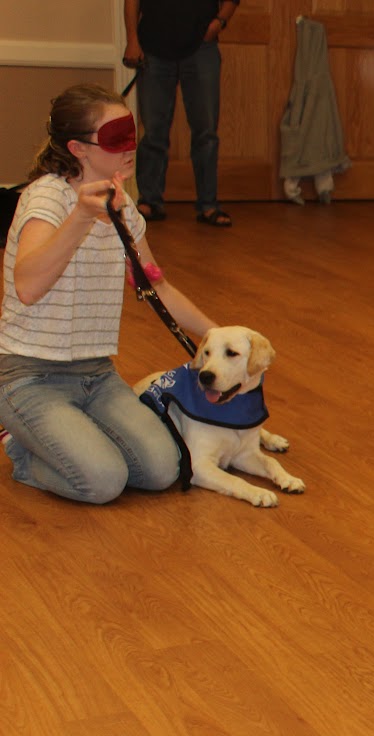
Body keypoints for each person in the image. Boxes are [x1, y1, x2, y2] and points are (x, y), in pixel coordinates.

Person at [0, 84, 219, 503]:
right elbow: (27, 287)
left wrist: (222, 336)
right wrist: (83, 215)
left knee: (161, 469)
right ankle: (22, 449)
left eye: (131, 133)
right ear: (78, 149)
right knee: (102, 482)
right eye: (116, 137)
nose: (129, 147)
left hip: (95, 374)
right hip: (28, 376)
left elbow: (155, 284)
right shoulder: (46, 198)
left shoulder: (124, 207)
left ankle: (75, 435)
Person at [122, 0, 238, 227]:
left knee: (206, 131)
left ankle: (208, 205)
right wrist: (132, 41)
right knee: (154, 130)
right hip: (153, 48)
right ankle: (150, 201)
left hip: (201, 47)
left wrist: (218, 23)